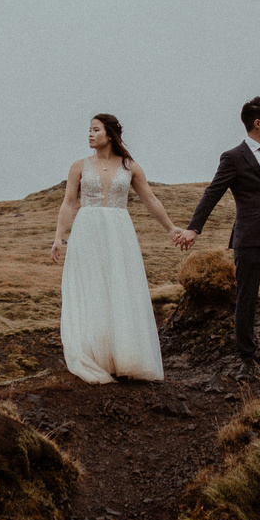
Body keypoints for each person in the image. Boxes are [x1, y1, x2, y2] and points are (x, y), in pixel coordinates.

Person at [50, 113, 184, 383]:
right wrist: (58, 237)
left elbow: (150, 200)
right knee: (91, 288)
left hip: (118, 233)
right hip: (86, 230)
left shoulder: (130, 167)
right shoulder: (78, 166)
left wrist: (171, 228)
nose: (89, 134)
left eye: (95, 130)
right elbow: (68, 203)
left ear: (109, 135)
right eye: (89, 130)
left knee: (119, 287)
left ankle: (123, 355)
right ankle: (94, 355)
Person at [178, 96, 260, 380]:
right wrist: (194, 228)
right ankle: (247, 361)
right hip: (249, 239)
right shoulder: (233, 157)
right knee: (246, 299)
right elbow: (213, 192)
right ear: (258, 123)